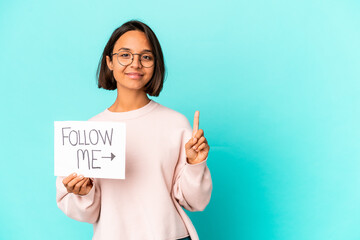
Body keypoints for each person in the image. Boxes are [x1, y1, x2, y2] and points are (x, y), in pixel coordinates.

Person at [56, 20, 212, 240]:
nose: (135, 64)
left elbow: (196, 202)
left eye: (146, 57)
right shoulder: (88, 132)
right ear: (109, 61)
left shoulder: (176, 123)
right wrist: (84, 193)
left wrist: (195, 165)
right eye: (125, 55)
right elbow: (84, 212)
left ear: (155, 64)